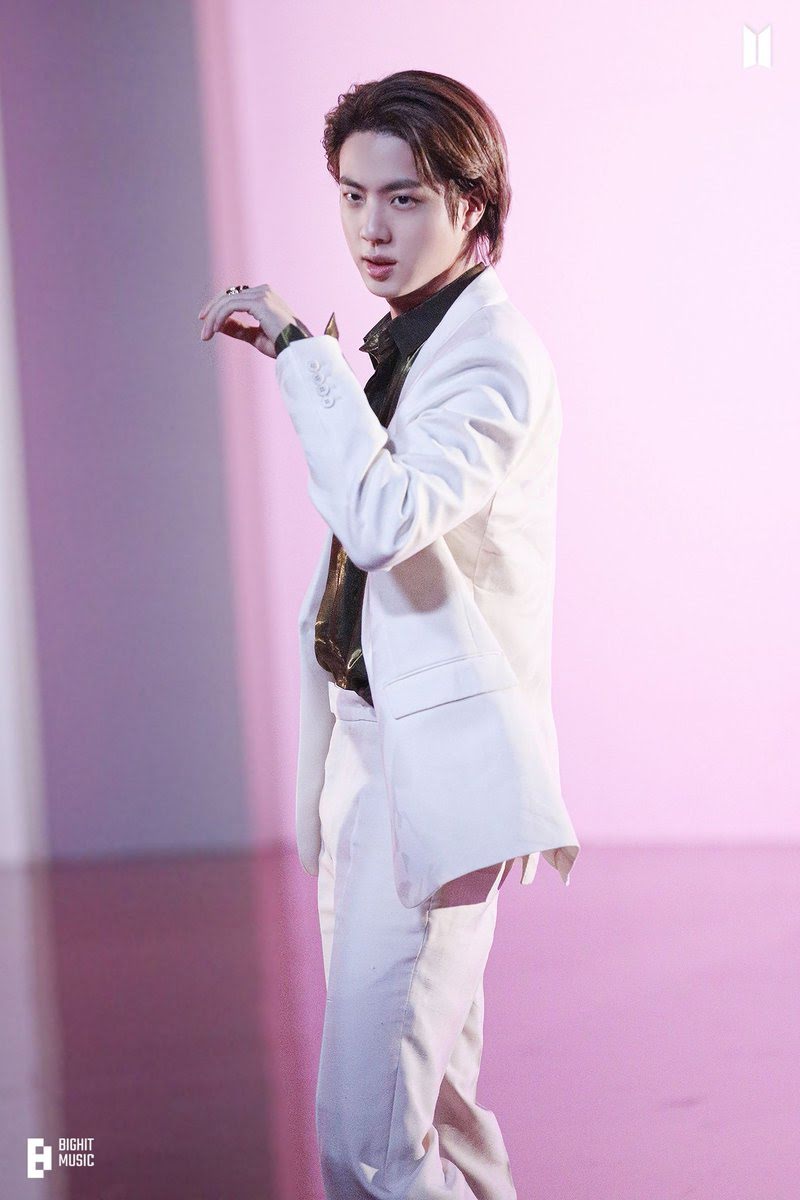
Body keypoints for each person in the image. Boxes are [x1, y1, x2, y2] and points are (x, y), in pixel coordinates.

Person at [198, 68, 580, 1200]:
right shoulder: (413, 337)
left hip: (432, 773)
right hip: (373, 753)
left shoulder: (488, 357)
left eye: (404, 198)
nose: (372, 227)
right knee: (433, 1111)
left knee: (368, 1133)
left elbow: (382, 519)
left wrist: (298, 353)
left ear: (472, 202)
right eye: (353, 196)